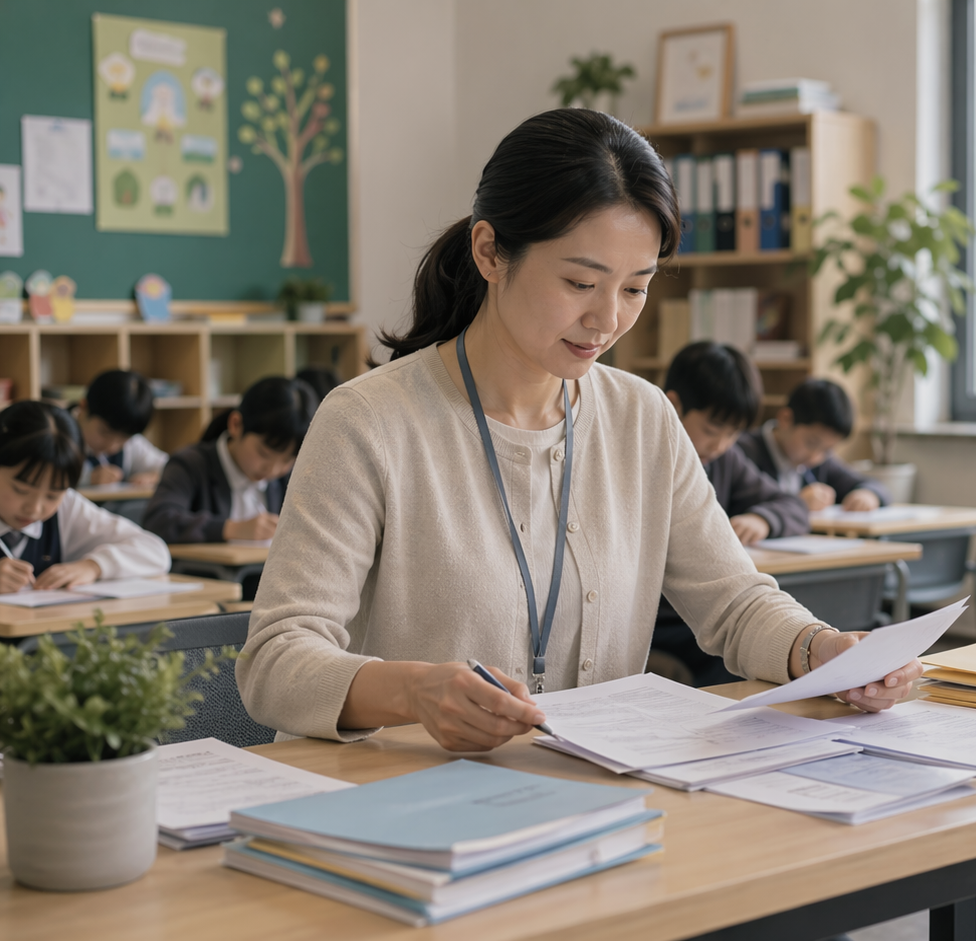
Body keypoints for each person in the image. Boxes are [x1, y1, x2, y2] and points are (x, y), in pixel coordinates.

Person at [235, 109, 921, 753]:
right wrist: (414, 691)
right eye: (579, 282)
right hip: (388, 804)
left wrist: (823, 650)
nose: (607, 320)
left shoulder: (642, 418)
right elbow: (275, 659)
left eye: (634, 288)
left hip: (586, 799)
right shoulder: (369, 421)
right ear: (490, 252)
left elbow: (736, 605)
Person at [0, 400, 169, 594]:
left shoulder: (66, 509)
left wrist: (93, 566)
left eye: (52, 495)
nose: (35, 508)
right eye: (21, 490)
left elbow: (155, 551)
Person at [663, 341, 809, 546]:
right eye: (711, 430)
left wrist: (763, 520)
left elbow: (793, 506)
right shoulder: (642, 452)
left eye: (733, 434)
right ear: (673, 405)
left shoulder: (726, 460)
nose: (720, 446)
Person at [143, 376, 316, 545]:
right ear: (236, 425)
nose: (273, 470)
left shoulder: (289, 478)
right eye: (264, 454)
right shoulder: (191, 464)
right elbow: (158, 521)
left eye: (287, 461)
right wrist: (230, 529)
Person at [736, 377, 890, 513]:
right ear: (785, 419)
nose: (816, 457)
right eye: (811, 443)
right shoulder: (743, 454)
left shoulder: (819, 461)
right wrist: (798, 502)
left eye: (827, 449)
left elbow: (872, 485)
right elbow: (735, 507)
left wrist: (867, 494)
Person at [70, 369, 169, 488]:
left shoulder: (129, 438)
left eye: (123, 439)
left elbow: (170, 467)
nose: (112, 447)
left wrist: (155, 476)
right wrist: (88, 479)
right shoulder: (57, 434)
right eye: (104, 433)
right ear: (84, 407)